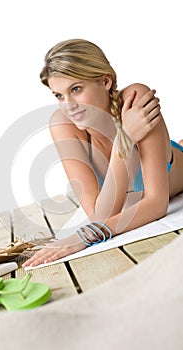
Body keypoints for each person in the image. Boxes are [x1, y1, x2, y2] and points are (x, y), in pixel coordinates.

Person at [23, 38, 183, 268]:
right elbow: (100, 215)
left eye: (76, 89)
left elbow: (157, 204)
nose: (68, 106)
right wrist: (125, 139)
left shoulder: (134, 99)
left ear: (105, 81)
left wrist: (83, 237)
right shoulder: (63, 124)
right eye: (59, 96)